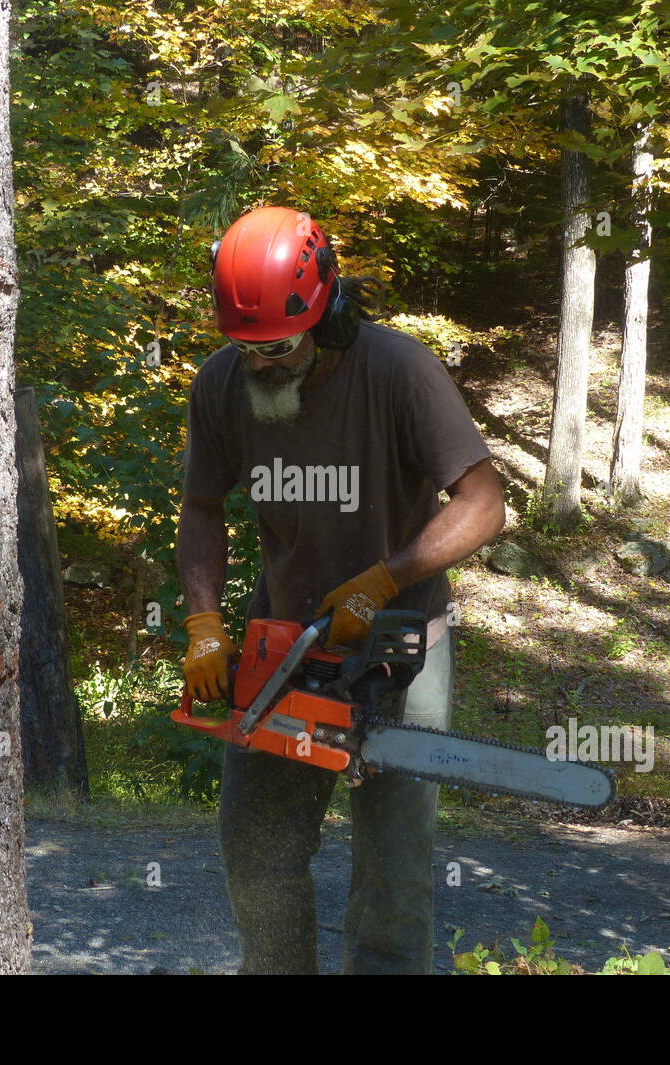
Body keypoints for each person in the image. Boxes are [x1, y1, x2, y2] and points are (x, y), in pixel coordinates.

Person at [177, 204, 505, 974]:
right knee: (258, 852)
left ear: (329, 316)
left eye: (279, 348)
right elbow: (200, 505)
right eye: (245, 347)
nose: (261, 365)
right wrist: (202, 622)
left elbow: (485, 504)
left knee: (392, 879)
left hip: (400, 649)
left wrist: (385, 577)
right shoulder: (223, 384)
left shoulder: (400, 372)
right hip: (282, 649)